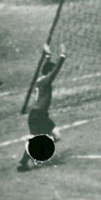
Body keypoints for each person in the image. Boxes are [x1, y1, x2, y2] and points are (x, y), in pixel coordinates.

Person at [18, 43, 66, 172]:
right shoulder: (46, 81)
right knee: (47, 138)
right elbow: (54, 71)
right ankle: (27, 161)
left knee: (54, 136)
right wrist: (62, 56)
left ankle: (30, 159)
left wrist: (48, 55)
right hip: (39, 115)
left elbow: (47, 69)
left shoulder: (41, 79)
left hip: (37, 114)